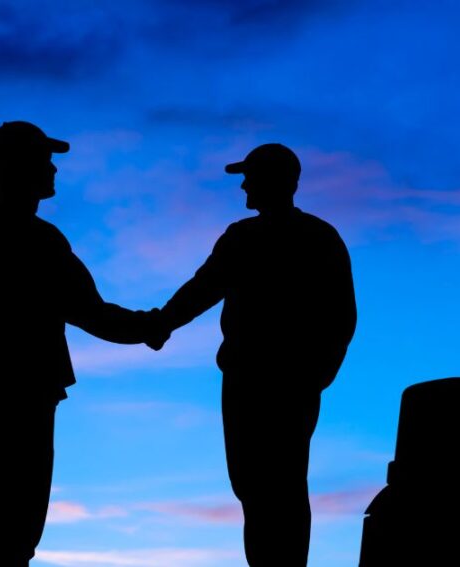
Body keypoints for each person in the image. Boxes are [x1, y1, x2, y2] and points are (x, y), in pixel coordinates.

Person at [0, 121, 168, 567]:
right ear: (17, 167)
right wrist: (151, 325)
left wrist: (146, 325)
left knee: (12, 519)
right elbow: (91, 312)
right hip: (17, 394)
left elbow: (87, 309)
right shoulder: (29, 238)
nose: (53, 169)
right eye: (43, 160)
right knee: (16, 522)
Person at [154, 143, 356, 566]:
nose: (244, 184)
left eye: (250, 176)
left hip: (274, 382)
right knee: (256, 484)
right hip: (260, 381)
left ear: (275, 181)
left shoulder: (279, 238)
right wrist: (162, 322)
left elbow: (340, 317)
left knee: (276, 483)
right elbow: (203, 289)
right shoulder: (284, 237)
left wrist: (316, 374)